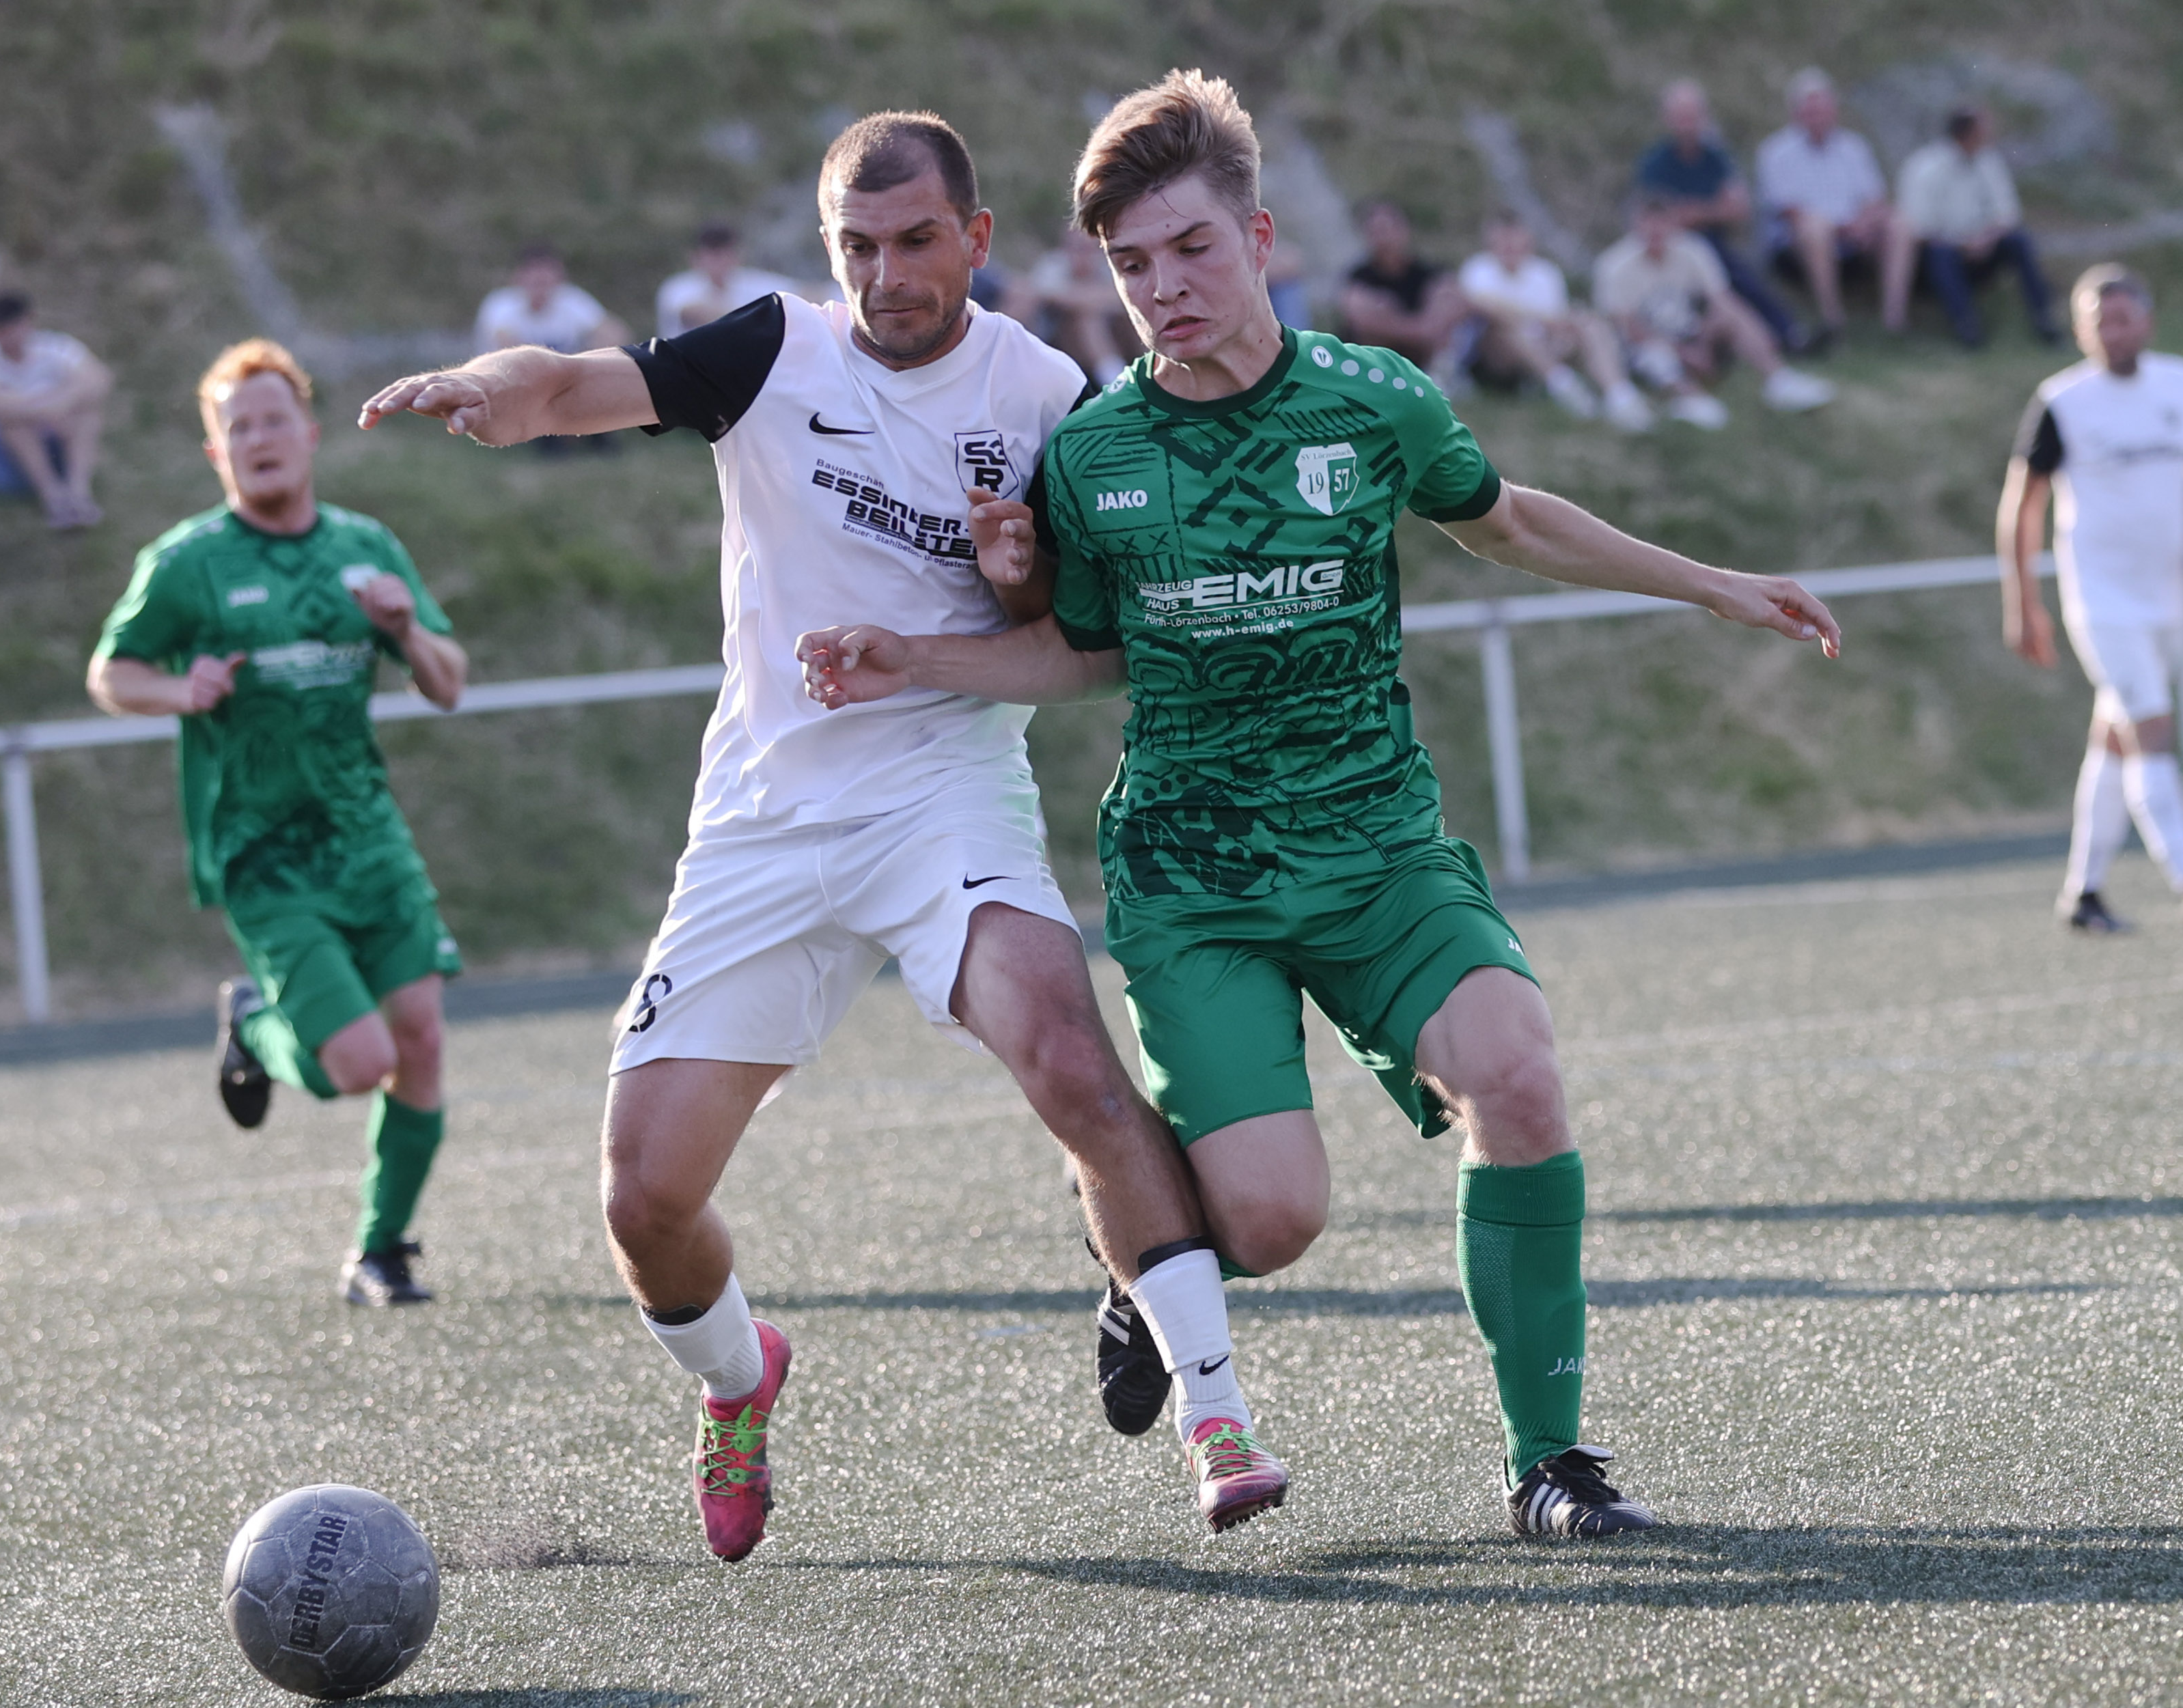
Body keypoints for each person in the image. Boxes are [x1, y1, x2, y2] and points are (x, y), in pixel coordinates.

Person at [801, 70, 1848, 1540]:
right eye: (1129, 265)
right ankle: (1138, 1242)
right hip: (1195, 872)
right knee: (1275, 1221)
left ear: (1259, 236)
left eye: (1188, 249)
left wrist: (1712, 583)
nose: (1160, 287)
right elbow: (1080, 648)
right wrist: (917, 650)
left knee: (1521, 1074)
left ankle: (1549, 1461)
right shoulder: (1094, 455)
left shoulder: (1372, 403)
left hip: (1376, 847)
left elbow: (1507, 519)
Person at [361, 110, 1285, 1558]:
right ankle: (740, 1382)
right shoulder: (768, 351)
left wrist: (1018, 570)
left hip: (941, 795)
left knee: (1067, 1055)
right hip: (765, 822)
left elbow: (1090, 636)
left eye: (915, 242)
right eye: (855, 246)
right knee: (645, 1195)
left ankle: (1219, 1412)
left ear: (975, 240)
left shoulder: (1051, 394)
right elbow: (569, 386)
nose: (883, 275)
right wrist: (494, 387)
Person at [87, 339, 469, 1309]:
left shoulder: (365, 548)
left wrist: (403, 631)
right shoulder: (187, 564)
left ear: (306, 434)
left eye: (271, 419)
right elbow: (111, 673)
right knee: (358, 1066)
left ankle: (381, 1251)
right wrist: (181, 688)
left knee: (419, 1036)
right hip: (265, 855)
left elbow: (448, 682)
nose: (257, 438)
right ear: (218, 455)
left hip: (366, 834)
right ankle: (257, 1030)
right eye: (235, 427)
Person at [1999, 266, 2183, 933]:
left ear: (2147, 321)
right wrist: (2023, 601)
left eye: (2122, 318)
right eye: (2097, 320)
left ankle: (2085, 892)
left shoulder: (2177, 384)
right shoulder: (2063, 400)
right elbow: (2022, 507)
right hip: (2106, 603)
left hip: (2173, 598)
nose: (2111, 331)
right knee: (2153, 730)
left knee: (2115, 737)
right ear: (2079, 329)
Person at [1592, 193, 1836, 429]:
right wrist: (1683, 353)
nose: (1656, 230)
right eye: (1648, 222)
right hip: (1648, 344)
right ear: (1634, 226)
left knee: (1733, 313)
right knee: (1656, 355)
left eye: (1662, 222)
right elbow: (1628, 326)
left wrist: (1704, 341)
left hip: (1690, 333)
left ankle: (1778, 378)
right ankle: (1691, 398)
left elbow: (1721, 298)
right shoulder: (1613, 265)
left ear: (1673, 224)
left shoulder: (1691, 249)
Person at [1633, 77, 1806, 352]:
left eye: (1692, 115)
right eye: (1680, 116)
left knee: (1742, 276)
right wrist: (1713, 209)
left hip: (1713, 242)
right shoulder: (1655, 163)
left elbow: (1739, 209)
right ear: (1667, 119)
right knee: (1730, 277)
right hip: (1675, 247)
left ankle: (1786, 334)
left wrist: (1696, 211)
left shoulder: (1715, 157)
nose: (1687, 123)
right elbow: (1661, 218)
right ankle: (1780, 336)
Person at [1456, 209, 1654, 432]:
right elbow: (1488, 307)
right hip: (1499, 358)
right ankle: (1564, 386)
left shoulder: (1545, 273)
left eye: (1514, 238)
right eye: (1502, 239)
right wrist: (1544, 320)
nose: (1509, 245)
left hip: (1543, 346)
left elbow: (1559, 322)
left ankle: (1620, 395)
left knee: (1591, 325)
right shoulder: (1479, 269)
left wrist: (1567, 325)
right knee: (1509, 329)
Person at [1755, 68, 1912, 337]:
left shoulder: (1854, 147)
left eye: (1822, 108)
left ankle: (1894, 319)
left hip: (1855, 233)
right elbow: (1788, 210)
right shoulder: (1776, 152)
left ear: (1833, 110)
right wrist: (1841, 229)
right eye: (1810, 110)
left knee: (1902, 224)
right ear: (1796, 113)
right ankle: (1833, 319)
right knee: (1816, 228)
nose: (1816, 116)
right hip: (1801, 241)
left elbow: (1875, 198)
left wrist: (1863, 224)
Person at [1899, 107, 2057, 350]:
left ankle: (2044, 319)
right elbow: (1919, 227)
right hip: (1939, 256)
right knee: (1941, 254)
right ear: (1967, 133)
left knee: (2019, 241)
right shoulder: (1925, 166)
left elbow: (2008, 213)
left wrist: (1986, 238)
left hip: (1984, 247)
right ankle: (1967, 327)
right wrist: (1963, 244)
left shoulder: (1988, 161)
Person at [0, 292, 113, 529]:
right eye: (3, 329)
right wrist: (45, 408)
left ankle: (79, 494)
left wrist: (63, 402)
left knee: (88, 416)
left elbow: (98, 379)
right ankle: (53, 497)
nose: (11, 336)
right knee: (12, 423)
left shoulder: (56, 346)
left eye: (15, 326)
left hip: (57, 429)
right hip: (5, 446)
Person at [476, 244, 630, 456]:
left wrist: (592, 359)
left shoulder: (572, 300)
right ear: (519, 276)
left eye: (547, 272)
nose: (541, 280)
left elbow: (613, 331)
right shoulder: (501, 305)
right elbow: (507, 346)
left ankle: (592, 429)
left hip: (564, 377)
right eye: (534, 272)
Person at [1337, 199, 1471, 382]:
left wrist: (1423, 326)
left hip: (1426, 348)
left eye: (1389, 228)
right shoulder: (1358, 277)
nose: (1384, 237)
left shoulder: (1430, 272)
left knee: (1445, 303)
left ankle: (1441, 376)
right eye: (1376, 230)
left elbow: (1458, 302)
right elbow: (1357, 314)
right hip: (1383, 354)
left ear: (1405, 229)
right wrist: (1418, 331)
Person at [1023, 221, 1143, 385]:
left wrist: (1081, 298)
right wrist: (1091, 299)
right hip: (1063, 343)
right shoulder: (1053, 267)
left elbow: (1126, 296)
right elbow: (1043, 295)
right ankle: (1116, 381)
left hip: (1115, 335)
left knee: (1135, 317)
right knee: (1087, 319)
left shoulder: (1107, 268)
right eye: (1076, 248)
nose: (1082, 255)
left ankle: (1155, 371)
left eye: (1088, 249)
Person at [654, 223, 798, 338]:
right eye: (712, 252)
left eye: (725, 251)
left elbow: (802, 294)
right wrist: (766, 320)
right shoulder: (679, 286)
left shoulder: (749, 281)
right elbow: (695, 313)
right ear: (695, 256)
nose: (720, 259)